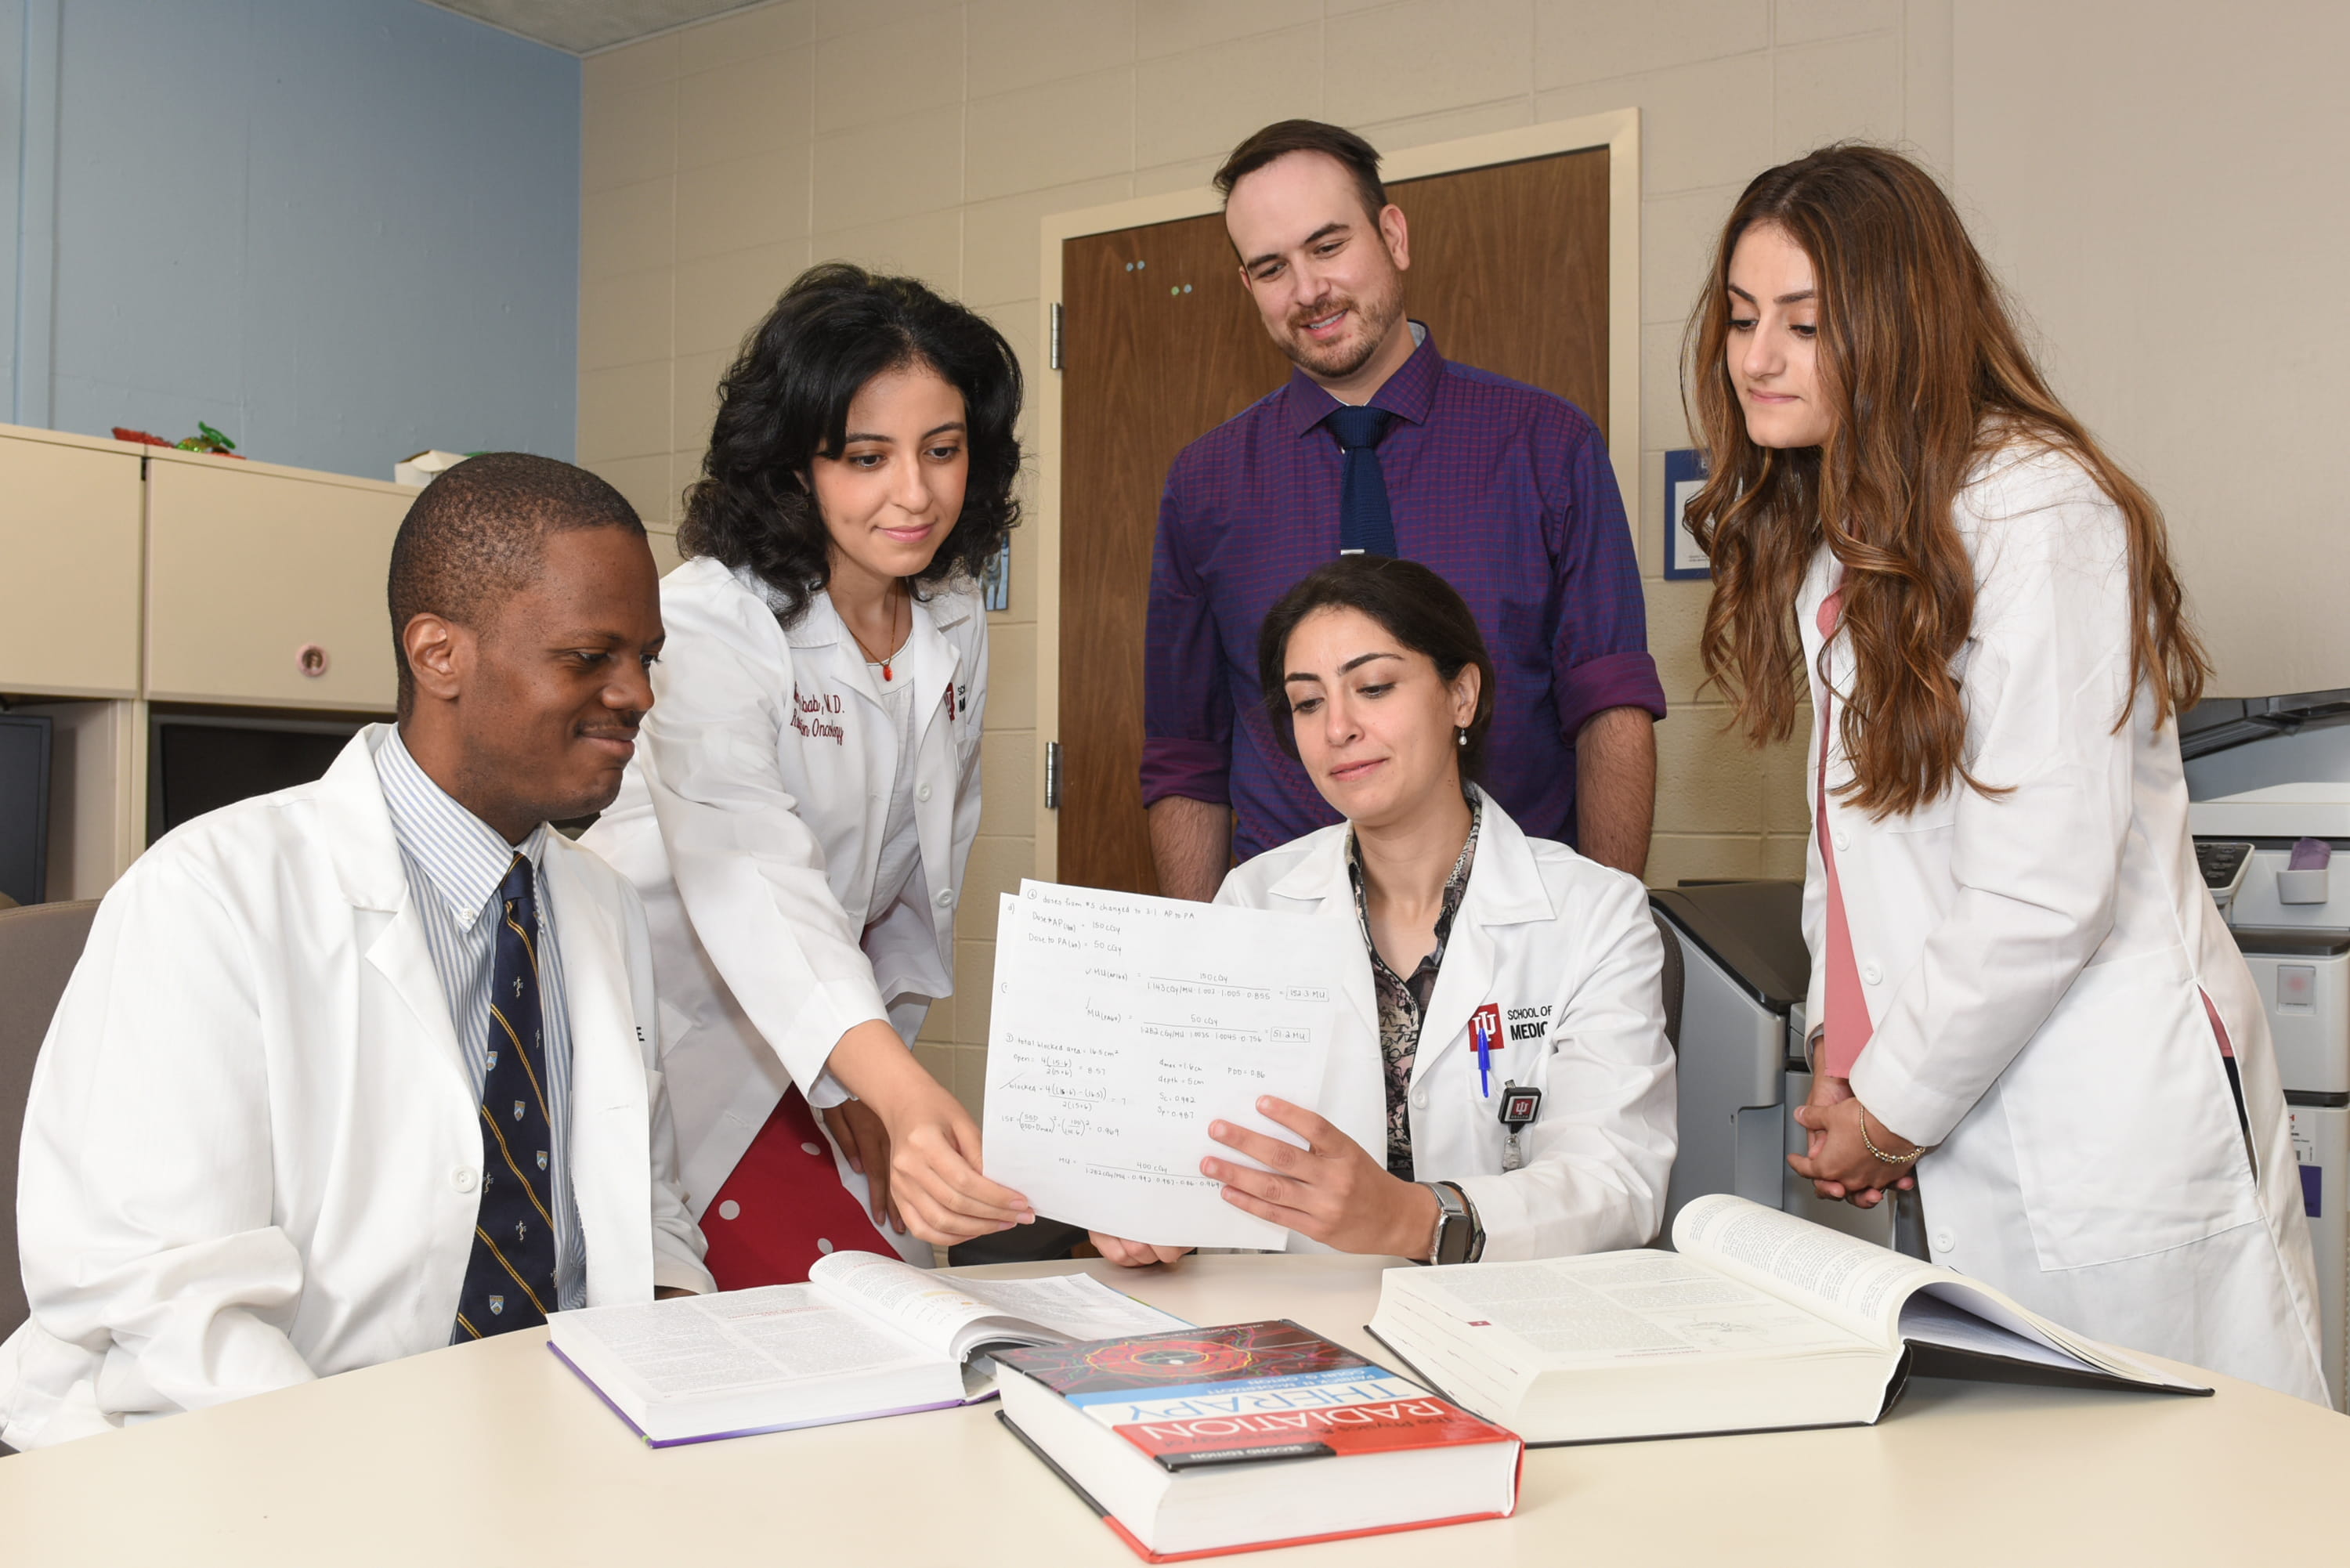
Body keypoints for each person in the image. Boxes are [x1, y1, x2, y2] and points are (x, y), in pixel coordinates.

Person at [1686, 144, 2326, 1402]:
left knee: (2181, 1490)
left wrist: (1891, 1105)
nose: (1756, 359)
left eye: (1804, 326)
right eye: (1743, 320)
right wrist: (1842, 1058)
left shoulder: (2040, 513)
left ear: (1898, 327)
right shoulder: (1842, 537)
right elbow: (1849, 847)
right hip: (1955, 1097)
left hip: (2100, 1109)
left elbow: (2045, 882)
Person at [0, 454, 713, 1448]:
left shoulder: (599, 907)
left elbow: (637, 1195)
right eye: (589, 656)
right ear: (438, 654)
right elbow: (172, 1311)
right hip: (238, 1464)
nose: (637, 694)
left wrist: (688, 1356)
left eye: (647, 655)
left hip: (539, 1454)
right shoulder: (209, 897)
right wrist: (388, 1498)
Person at [584, 264, 1041, 1285]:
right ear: (797, 463)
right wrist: (895, 1089)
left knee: (903, 1299)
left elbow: (917, 868)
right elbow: (754, 876)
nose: (913, 493)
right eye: (866, 457)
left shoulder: (953, 614)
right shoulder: (708, 620)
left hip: (825, 1037)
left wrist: (866, 1086)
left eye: (943, 450)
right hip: (677, 1036)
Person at [1095, 555, 1676, 1269]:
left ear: (1462, 695)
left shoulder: (1595, 915)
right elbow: (1196, 1144)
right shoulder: (1254, 901)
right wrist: (1147, 1208)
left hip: (1506, 1325)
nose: (1337, 727)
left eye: (1373, 687)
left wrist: (1412, 1218)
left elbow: (1616, 1184)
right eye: (1307, 703)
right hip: (1300, 1323)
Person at [1144, 119, 1665, 900]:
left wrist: (1601, 933)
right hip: (1288, 940)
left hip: (1514, 929)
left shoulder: (1546, 445)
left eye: (1328, 246)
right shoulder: (1205, 485)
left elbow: (1610, 709)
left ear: (1393, 234)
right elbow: (1187, 751)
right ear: (1247, 287)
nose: (1309, 290)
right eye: (1271, 267)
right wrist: (1208, 966)